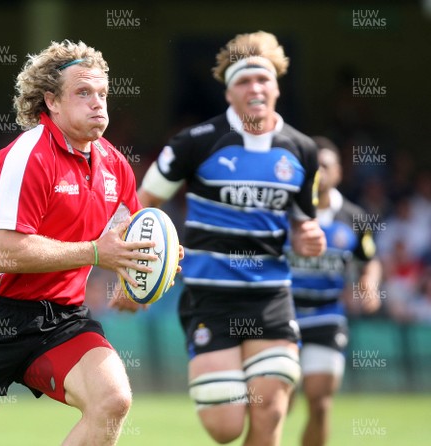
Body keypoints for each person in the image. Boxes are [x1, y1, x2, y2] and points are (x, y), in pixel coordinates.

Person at [0, 39, 165, 446]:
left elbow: (128, 239)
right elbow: (4, 253)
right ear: (51, 102)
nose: (98, 103)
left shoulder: (114, 164)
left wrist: (150, 264)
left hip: (62, 320)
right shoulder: (27, 155)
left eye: (102, 94)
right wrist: (96, 253)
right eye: (83, 92)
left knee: (112, 400)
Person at [136, 31, 326, 445]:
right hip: (209, 297)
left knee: (269, 412)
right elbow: (141, 204)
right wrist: (131, 272)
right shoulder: (195, 143)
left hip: (270, 296)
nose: (255, 88)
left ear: (277, 86)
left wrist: (308, 237)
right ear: (228, 93)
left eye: (263, 79)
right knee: (225, 429)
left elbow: (301, 224)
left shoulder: (303, 150)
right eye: (243, 81)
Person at [286, 136, 382, 446]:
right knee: (277, 401)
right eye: (313, 166)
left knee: (320, 402)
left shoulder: (353, 217)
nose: (320, 172)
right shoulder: (285, 212)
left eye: (326, 166)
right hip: (281, 313)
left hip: (327, 314)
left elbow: (369, 261)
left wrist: (369, 283)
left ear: (339, 172)